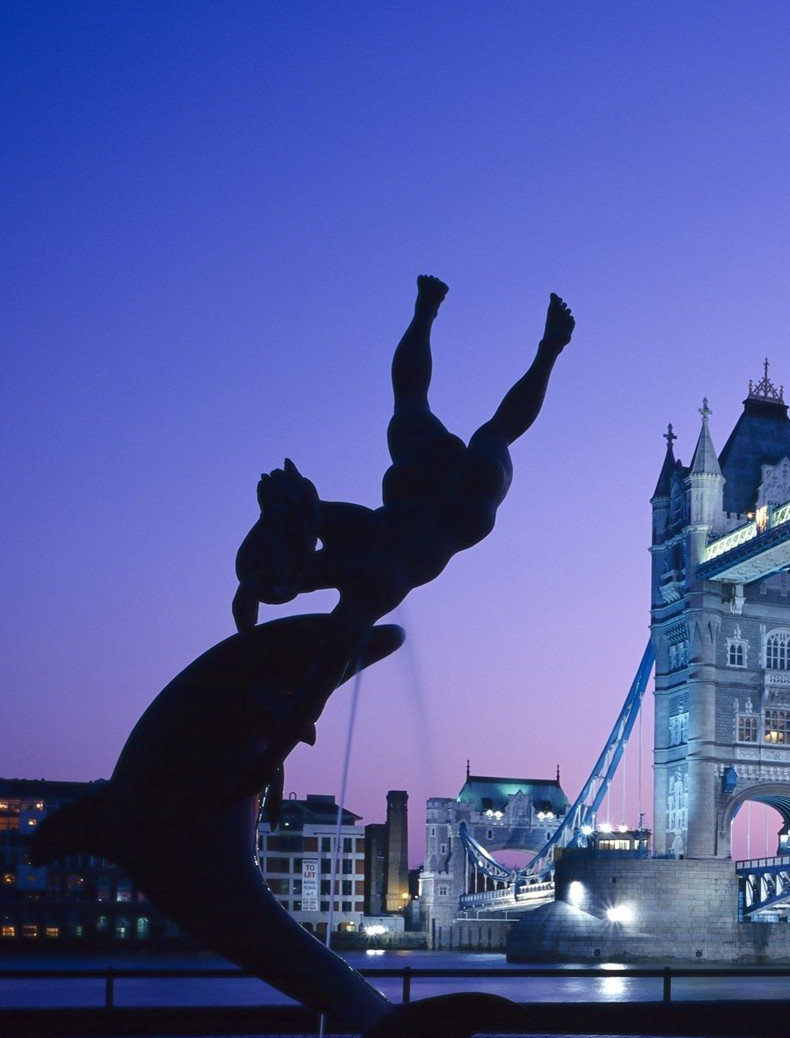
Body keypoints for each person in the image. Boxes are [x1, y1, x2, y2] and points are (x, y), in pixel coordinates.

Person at [232, 274, 575, 736]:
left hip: (433, 499)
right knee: (461, 421)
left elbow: (316, 651)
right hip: (453, 504)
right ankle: (481, 327)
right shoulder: (354, 549)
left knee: (467, 422)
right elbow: (281, 572)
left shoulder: (362, 572)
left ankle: (524, 342)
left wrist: (286, 700)